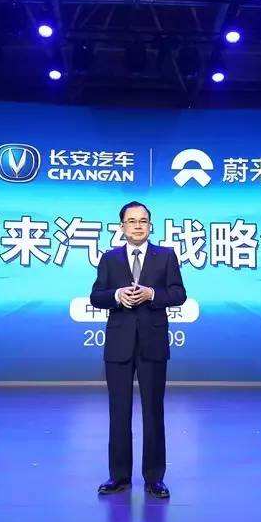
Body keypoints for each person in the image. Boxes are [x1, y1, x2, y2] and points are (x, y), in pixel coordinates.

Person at [89, 201, 187, 499]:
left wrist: (152, 294)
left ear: (150, 225)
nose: (137, 226)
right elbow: (96, 296)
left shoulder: (166, 256)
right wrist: (117, 295)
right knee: (118, 411)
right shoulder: (109, 258)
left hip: (152, 343)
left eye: (143, 221)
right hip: (118, 345)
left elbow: (179, 294)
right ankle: (119, 476)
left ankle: (154, 478)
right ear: (122, 227)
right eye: (131, 221)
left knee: (153, 411)